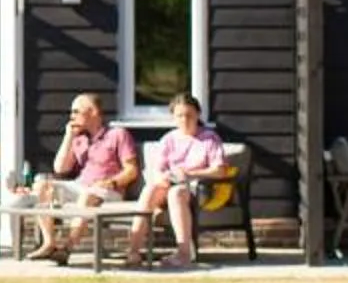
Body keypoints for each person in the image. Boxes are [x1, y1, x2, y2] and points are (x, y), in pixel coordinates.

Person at [27, 93, 143, 263]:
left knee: (88, 195)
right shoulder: (80, 139)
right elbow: (60, 168)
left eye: (76, 111)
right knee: (42, 185)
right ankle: (49, 243)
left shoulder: (118, 134)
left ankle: (67, 248)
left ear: (93, 112)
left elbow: (132, 170)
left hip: (108, 191)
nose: (71, 116)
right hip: (81, 186)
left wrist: (111, 182)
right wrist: (69, 136)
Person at [126, 93, 228, 269]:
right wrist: (162, 178)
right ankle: (133, 252)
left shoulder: (209, 138)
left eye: (189, 115)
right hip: (171, 184)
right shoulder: (169, 139)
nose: (185, 119)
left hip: (199, 187)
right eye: (180, 116)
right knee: (150, 190)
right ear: (174, 117)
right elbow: (157, 169)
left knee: (176, 193)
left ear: (198, 115)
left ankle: (184, 253)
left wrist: (191, 173)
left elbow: (220, 170)